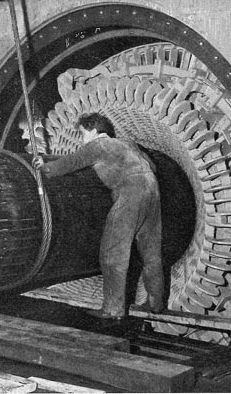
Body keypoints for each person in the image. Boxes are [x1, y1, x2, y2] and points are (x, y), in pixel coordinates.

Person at [33, 113, 164, 319]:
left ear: (94, 131)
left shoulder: (98, 145)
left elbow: (73, 161)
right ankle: (156, 303)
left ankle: (113, 309)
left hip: (130, 194)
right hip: (153, 192)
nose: (82, 139)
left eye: (82, 133)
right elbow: (153, 166)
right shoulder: (128, 143)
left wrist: (45, 166)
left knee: (112, 253)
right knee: (151, 253)